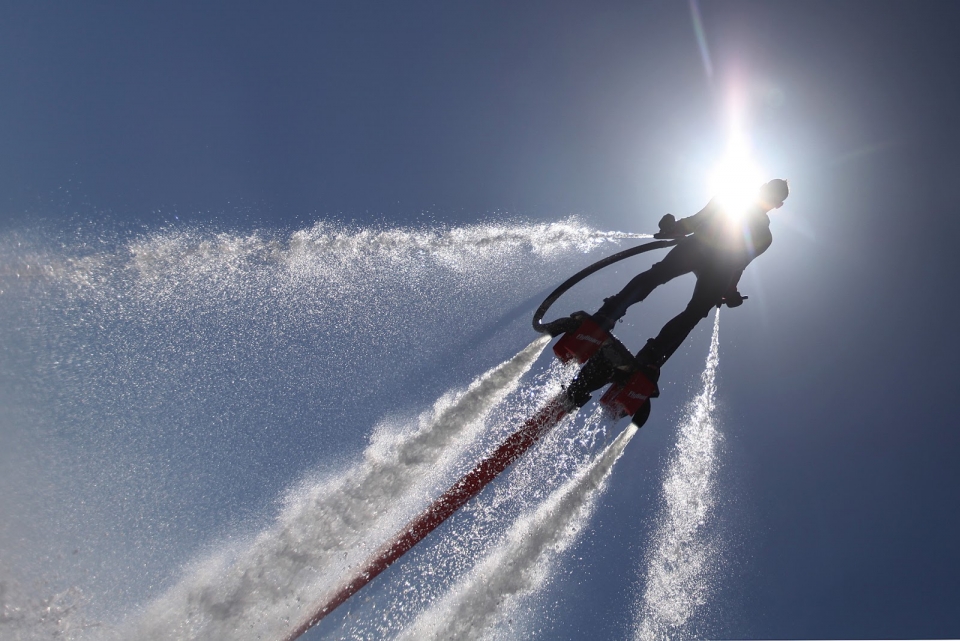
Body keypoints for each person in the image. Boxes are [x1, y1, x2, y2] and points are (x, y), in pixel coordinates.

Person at [578, 179, 789, 374]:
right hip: (701, 251)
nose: (768, 194)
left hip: (717, 266)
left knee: (692, 309)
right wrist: (672, 227)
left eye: (773, 194)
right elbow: (697, 221)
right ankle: (609, 315)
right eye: (769, 189)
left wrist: (730, 291)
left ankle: (650, 356)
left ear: (778, 204)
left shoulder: (762, 234)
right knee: (660, 275)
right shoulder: (732, 202)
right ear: (763, 188)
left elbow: (739, 265)